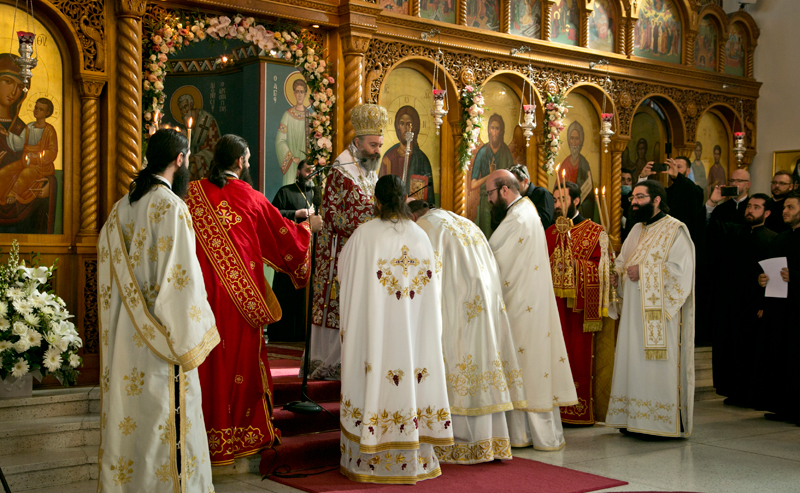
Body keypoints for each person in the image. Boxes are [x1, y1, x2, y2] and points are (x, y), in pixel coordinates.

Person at [185, 134, 322, 465]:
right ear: (239, 162)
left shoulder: (191, 193)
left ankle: (197, 435)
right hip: (239, 303)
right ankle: (236, 435)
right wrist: (309, 229)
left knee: (203, 365)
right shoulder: (251, 196)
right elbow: (285, 235)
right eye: (246, 159)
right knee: (237, 366)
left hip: (196, 298)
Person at [97, 129, 219, 491]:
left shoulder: (121, 207)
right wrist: (192, 339)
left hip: (125, 340)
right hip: (163, 344)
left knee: (132, 423)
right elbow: (179, 282)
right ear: (180, 159)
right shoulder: (170, 207)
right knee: (163, 426)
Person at [338, 175, 453, 483]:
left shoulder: (365, 235)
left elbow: (343, 272)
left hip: (377, 331)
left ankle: (369, 461)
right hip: (413, 332)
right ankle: (415, 457)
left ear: (376, 201)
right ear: (404, 199)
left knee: (376, 374)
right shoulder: (420, 235)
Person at [409, 200, 527, 463]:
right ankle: (489, 441)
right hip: (484, 309)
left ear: (415, 216)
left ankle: (458, 444)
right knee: (482, 371)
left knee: (457, 368)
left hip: (456, 311)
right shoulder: (467, 223)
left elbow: (430, 274)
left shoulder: (427, 227)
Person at [487, 170, 577, 450]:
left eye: (489, 193)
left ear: (504, 190)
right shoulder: (526, 211)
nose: (488, 200)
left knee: (524, 366)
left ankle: (525, 433)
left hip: (521, 304)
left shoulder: (517, 218)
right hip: (526, 301)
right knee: (526, 367)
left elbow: (494, 258)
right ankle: (523, 433)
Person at [607, 180, 695, 438]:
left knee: (653, 365)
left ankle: (657, 423)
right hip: (633, 313)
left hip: (659, 316)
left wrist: (644, 272)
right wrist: (617, 274)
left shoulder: (676, 230)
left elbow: (682, 273)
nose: (633, 202)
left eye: (640, 197)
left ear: (656, 200)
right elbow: (623, 262)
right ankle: (631, 418)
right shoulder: (635, 229)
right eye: (633, 197)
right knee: (631, 361)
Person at [307, 103, 388, 380]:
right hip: (339, 253)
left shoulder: (369, 170)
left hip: (364, 249)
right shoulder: (341, 169)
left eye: (379, 144)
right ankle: (332, 360)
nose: (377, 150)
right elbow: (330, 213)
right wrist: (366, 221)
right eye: (373, 144)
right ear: (357, 143)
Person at [546, 181, 610, 425]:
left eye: (562, 199)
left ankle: (577, 410)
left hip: (578, 312)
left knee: (577, 357)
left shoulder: (595, 232)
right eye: (554, 200)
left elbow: (603, 271)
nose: (557, 205)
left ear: (575, 201)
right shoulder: (550, 232)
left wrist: (575, 268)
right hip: (552, 311)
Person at [706, 192, 776, 407]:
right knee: (731, 349)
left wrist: (765, 304)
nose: (750, 210)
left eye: (756, 207)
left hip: (755, 305)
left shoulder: (774, 239)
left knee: (751, 351)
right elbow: (708, 226)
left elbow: (773, 276)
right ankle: (734, 391)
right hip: (730, 303)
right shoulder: (733, 231)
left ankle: (752, 394)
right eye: (749, 206)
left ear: (767, 213)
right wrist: (711, 203)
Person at [757, 192, 800, 424]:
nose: (785, 211)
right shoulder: (780, 238)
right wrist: (762, 280)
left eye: (791, 207)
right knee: (780, 357)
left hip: (798, 311)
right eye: (784, 207)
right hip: (780, 309)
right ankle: (783, 406)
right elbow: (768, 271)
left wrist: (796, 277)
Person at [269, 159, 321, 342]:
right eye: (307, 171)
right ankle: (283, 334)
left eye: (313, 172)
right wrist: (295, 214)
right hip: (290, 253)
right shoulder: (286, 191)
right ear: (298, 172)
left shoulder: (317, 194)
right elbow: (273, 215)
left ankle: (304, 334)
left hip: (311, 251)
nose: (310, 175)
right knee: (287, 293)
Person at [0, 98, 58, 205]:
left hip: (41, 167)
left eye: (40, 109)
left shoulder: (49, 130)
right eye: (36, 108)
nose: (36, 110)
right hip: (25, 162)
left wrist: (36, 157)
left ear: (47, 113)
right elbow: (20, 143)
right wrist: (7, 134)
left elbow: (52, 151)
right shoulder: (29, 127)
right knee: (5, 171)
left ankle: (12, 194)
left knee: (26, 174)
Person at [380, 105, 435, 204]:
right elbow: (381, 192)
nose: (405, 129)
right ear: (397, 126)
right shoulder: (388, 158)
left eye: (409, 124)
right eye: (402, 124)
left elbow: (429, 199)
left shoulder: (422, 160)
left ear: (414, 127)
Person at [469, 114, 514, 235]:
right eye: (492, 128)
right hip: (486, 201)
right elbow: (473, 184)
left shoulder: (505, 152)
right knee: (487, 236)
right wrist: (490, 175)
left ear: (502, 131)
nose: (494, 132)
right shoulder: (482, 152)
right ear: (488, 130)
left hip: (504, 202)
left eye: (497, 128)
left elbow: (512, 181)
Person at [177, 93, 220, 181]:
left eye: (185, 107)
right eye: (181, 109)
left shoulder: (207, 121)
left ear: (191, 105)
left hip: (206, 159)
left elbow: (213, 147)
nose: (184, 111)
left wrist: (195, 157)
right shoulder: (184, 123)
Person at [276, 78, 309, 187]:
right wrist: (292, 157)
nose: (299, 95)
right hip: (292, 164)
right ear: (294, 93)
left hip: (306, 164)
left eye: (302, 92)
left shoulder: (311, 117)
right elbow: (280, 141)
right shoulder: (287, 115)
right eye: (297, 91)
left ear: (305, 94)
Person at [560, 121, 595, 220]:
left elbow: (590, 191)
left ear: (581, 141)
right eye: (572, 138)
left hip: (579, 202)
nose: (574, 142)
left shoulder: (584, 163)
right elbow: (558, 187)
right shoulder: (565, 163)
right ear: (568, 140)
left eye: (577, 138)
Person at [506, 164, 555, 230]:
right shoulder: (512, 198)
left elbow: (545, 221)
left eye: (513, 183)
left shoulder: (541, 193)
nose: (510, 187)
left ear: (525, 181)